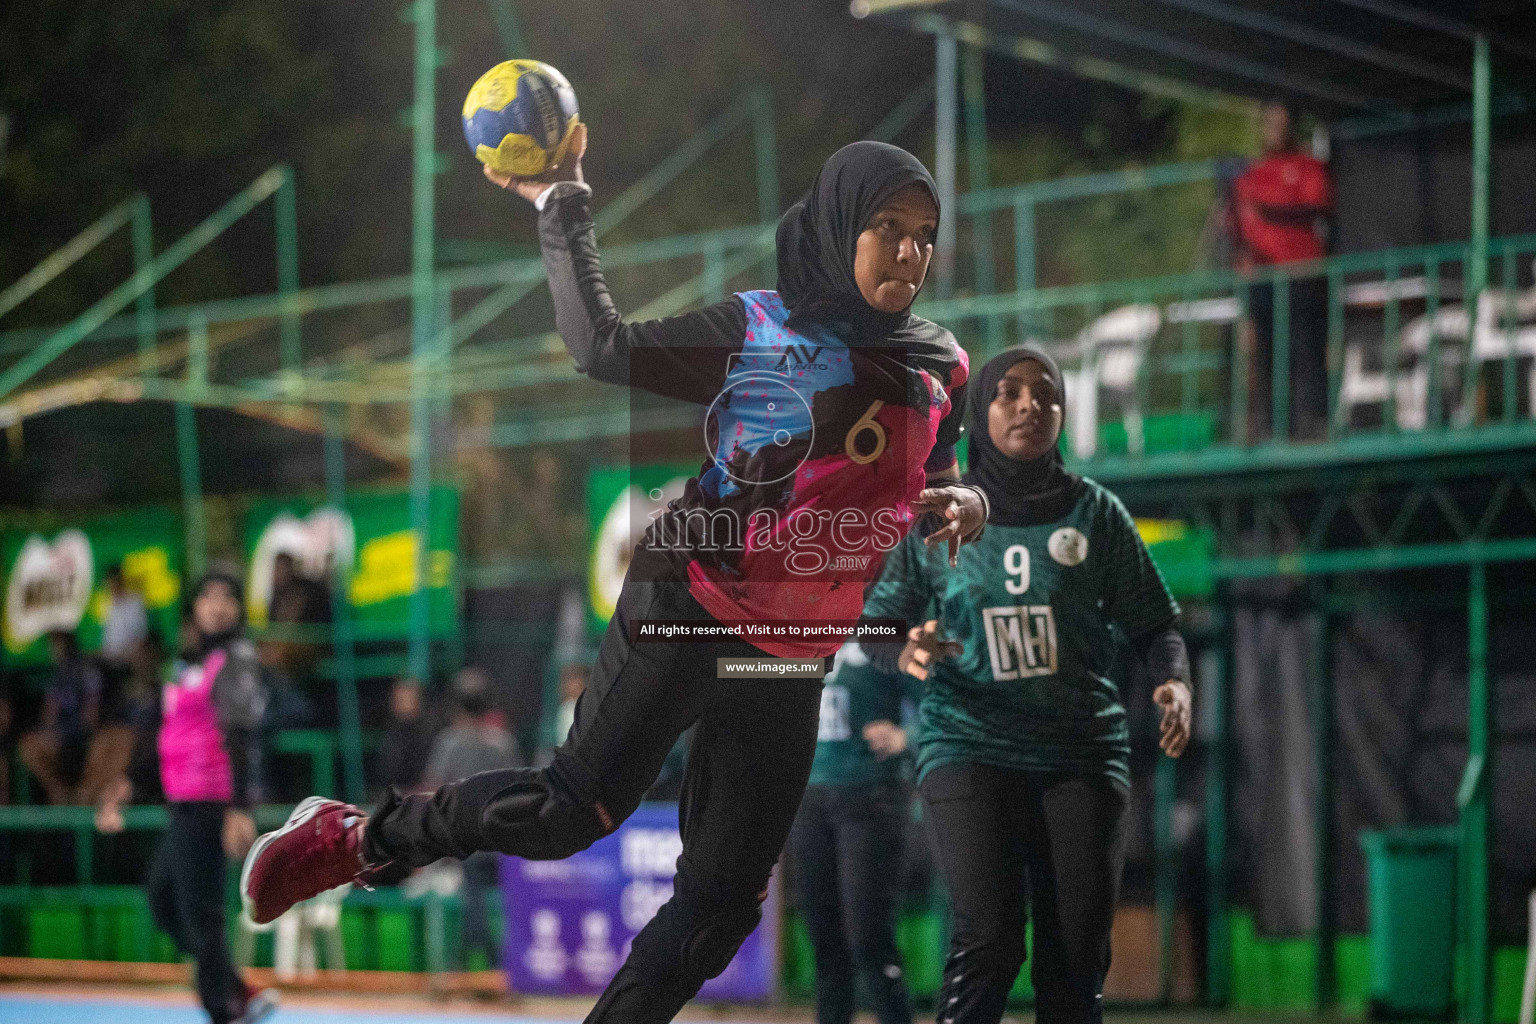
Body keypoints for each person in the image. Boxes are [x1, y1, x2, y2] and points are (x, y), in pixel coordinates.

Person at [242, 127, 990, 1024]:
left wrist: (965, 502)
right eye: (887, 226)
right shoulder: (758, 329)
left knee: (718, 909)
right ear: (838, 227)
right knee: (569, 813)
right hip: (692, 600)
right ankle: (356, 837)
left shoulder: (941, 364)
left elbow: (937, 473)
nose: (911, 250)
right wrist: (563, 202)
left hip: (791, 655)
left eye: (925, 232)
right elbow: (602, 346)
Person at [861, 345, 1194, 1024]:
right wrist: (906, 648)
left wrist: (1176, 683)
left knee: (1074, 959)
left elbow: (1156, 626)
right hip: (970, 742)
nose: (1028, 406)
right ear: (979, 412)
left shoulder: (1095, 513)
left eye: (1045, 395)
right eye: (1008, 392)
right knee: (989, 941)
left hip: (1080, 752)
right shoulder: (936, 518)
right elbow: (877, 627)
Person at [98, 571, 278, 1024]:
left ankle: (226, 1008)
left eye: (228, 598)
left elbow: (244, 734)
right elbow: (163, 729)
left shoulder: (237, 659)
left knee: (200, 911)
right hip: (181, 800)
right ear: (193, 608)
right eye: (208, 597)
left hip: (212, 801)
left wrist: (239, 807)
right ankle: (233, 988)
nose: (218, 606)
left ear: (239, 610)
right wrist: (127, 783)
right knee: (163, 899)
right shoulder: (184, 664)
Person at [788, 639, 918, 1024]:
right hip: (808, 797)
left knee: (868, 936)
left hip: (871, 794)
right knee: (824, 938)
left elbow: (938, 700)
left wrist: (906, 736)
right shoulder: (801, 631)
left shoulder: (887, 630)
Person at [1229, 101, 1333, 442]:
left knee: (1306, 350)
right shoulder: (1251, 173)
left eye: (1281, 122)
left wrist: (1271, 206)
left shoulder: (1308, 166)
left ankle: (1314, 423)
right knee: (1267, 355)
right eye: (1270, 122)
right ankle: (1271, 426)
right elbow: (1238, 221)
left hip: (1302, 275)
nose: (1275, 129)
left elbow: (1316, 201)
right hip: (1263, 279)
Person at [422, 668, 519, 970]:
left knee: (473, 886)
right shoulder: (503, 742)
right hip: (499, 838)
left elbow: (433, 790)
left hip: (470, 841)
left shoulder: (449, 742)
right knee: (476, 889)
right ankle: (479, 960)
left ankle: (476, 961)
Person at [18, 630, 104, 804]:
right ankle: (59, 793)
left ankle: (83, 797)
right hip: (60, 735)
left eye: (57, 645)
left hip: (82, 737)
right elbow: (49, 715)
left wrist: (76, 735)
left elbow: (91, 716)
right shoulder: (57, 677)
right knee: (28, 746)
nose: (54, 650)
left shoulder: (87, 673)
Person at [376, 677, 437, 796]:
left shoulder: (432, 732)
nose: (404, 703)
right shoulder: (390, 735)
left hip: (427, 795)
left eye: (409, 698)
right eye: (399, 699)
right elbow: (387, 774)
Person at [99, 563, 149, 672]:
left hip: (130, 657)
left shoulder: (135, 602)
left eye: (114, 583)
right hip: (110, 658)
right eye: (109, 585)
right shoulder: (107, 605)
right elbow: (107, 640)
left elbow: (141, 637)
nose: (112, 588)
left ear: (120, 581)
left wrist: (123, 654)